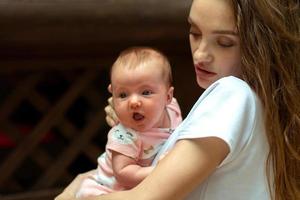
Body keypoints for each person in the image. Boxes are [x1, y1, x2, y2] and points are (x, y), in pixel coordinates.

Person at [56, 0, 300, 199]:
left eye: (225, 43)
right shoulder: (270, 108)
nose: (201, 54)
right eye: (194, 32)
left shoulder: (233, 94)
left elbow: (145, 197)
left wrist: (73, 191)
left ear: (263, 45)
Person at [75, 46, 182, 198]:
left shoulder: (173, 109)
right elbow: (123, 173)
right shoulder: (124, 135)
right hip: (109, 189)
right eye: (123, 94)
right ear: (112, 94)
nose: (133, 102)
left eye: (145, 92)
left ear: (168, 97)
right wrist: (159, 170)